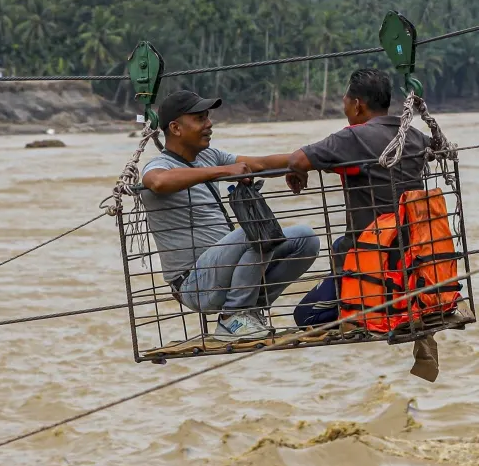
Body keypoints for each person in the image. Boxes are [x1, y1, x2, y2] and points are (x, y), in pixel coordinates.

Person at [221, 68, 437, 379]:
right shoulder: (413, 136)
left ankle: (364, 312)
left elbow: (297, 159)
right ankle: (391, 309)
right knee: (340, 247)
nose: (345, 109)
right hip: (413, 258)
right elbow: (431, 149)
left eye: (346, 103)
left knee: (305, 314)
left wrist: (298, 170)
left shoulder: (353, 137)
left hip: (372, 262)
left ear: (358, 105)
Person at [137, 88, 320, 341]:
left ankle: (250, 310)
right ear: (176, 128)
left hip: (229, 271)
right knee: (256, 229)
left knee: (306, 238)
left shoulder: (209, 156)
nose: (209, 124)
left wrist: (306, 160)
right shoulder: (161, 165)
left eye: (208, 117)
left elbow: (262, 164)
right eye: (200, 118)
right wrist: (222, 172)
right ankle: (231, 317)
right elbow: (156, 182)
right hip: (195, 283)